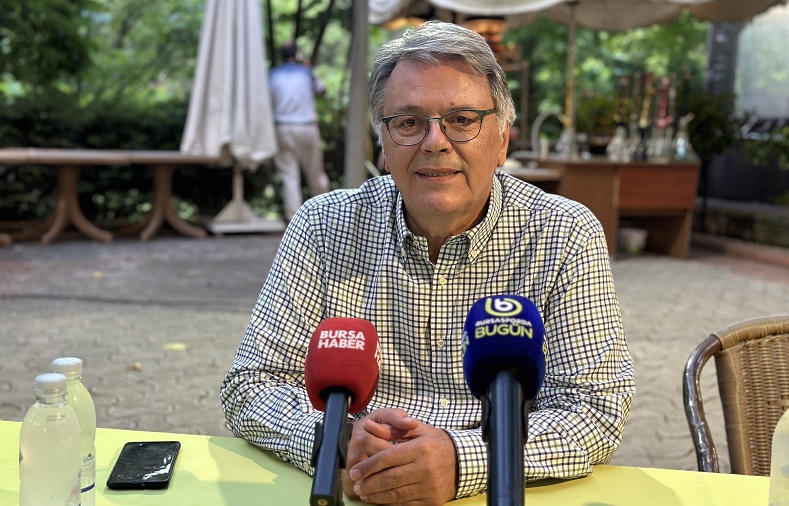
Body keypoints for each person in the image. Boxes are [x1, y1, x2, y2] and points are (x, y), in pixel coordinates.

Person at [222, 21, 635, 505]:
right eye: (408, 122)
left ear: (502, 140)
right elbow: (252, 384)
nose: (435, 141)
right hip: (352, 488)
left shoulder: (563, 232)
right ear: (383, 143)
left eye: (462, 119)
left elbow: (595, 409)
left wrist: (463, 461)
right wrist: (335, 440)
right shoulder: (323, 225)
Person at [268, 40, 331, 221]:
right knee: (316, 175)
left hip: (282, 128)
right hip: (306, 127)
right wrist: (308, 66)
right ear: (296, 55)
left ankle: (294, 222)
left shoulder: (273, 74)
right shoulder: (306, 72)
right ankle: (326, 216)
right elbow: (323, 91)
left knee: (289, 177)